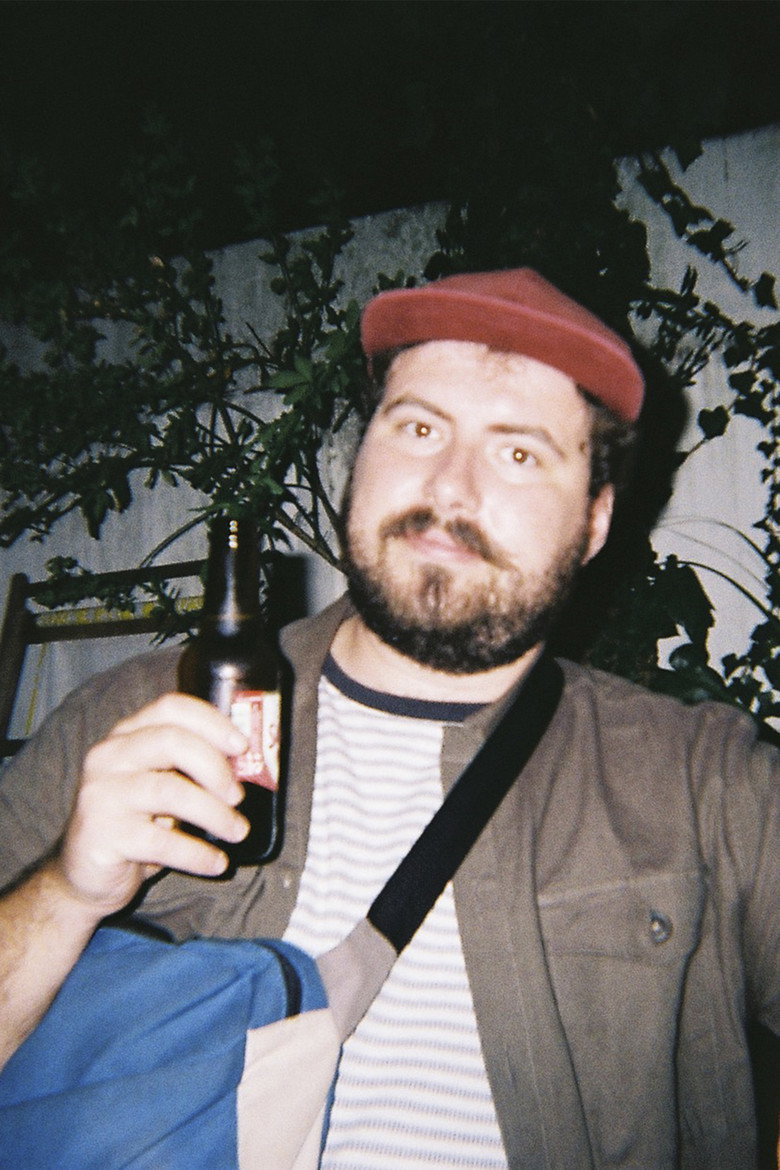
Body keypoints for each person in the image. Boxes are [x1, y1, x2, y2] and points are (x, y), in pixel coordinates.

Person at [0, 268, 777, 1169]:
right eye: (418, 428)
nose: (449, 487)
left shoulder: (702, 784)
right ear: (358, 457)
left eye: (519, 454)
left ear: (596, 521)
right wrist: (64, 895)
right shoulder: (125, 724)